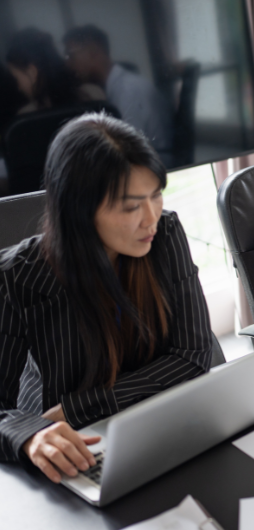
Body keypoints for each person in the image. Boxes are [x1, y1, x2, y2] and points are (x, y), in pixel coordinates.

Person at [0, 113, 212, 482]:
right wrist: (32, 434)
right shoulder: (16, 276)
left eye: (156, 195)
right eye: (132, 206)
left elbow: (193, 356)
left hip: (155, 428)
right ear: (79, 211)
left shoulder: (166, 234)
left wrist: (74, 408)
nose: (151, 218)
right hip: (71, 451)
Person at [63, 25, 174, 163]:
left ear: (92, 51)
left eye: (70, 55)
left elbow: (129, 151)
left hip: (158, 165)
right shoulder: (117, 87)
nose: (68, 64)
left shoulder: (128, 90)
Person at [5, 27, 102, 114]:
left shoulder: (26, 116)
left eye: (16, 79)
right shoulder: (93, 93)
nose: (19, 87)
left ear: (32, 72)